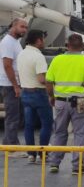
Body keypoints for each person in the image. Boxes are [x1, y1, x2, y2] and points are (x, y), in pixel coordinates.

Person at [46, 34, 84, 175]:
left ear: (67, 45)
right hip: (80, 101)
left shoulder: (57, 60)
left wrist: (51, 96)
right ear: (82, 46)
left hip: (61, 101)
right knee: (80, 133)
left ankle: (54, 163)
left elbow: (48, 81)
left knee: (59, 132)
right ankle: (77, 166)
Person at [17, 30, 53, 163]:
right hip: (39, 93)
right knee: (47, 124)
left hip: (25, 92)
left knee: (29, 125)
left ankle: (31, 154)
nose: (44, 42)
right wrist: (52, 87)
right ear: (38, 40)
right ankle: (43, 154)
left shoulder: (21, 54)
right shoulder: (38, 56)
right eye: (43, 39)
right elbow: (41, 79)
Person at [0, 18, 28, 151]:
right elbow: (7, 65)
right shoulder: (8, 42)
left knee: (16, 116)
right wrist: (16, 86)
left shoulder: (15, 42)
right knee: (12, 117)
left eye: (26, 27)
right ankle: (11, 147)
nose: (24, 30)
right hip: (9, 84)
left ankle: (10, 143)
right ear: (14, 26)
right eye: (22, 27)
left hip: (13, 84)